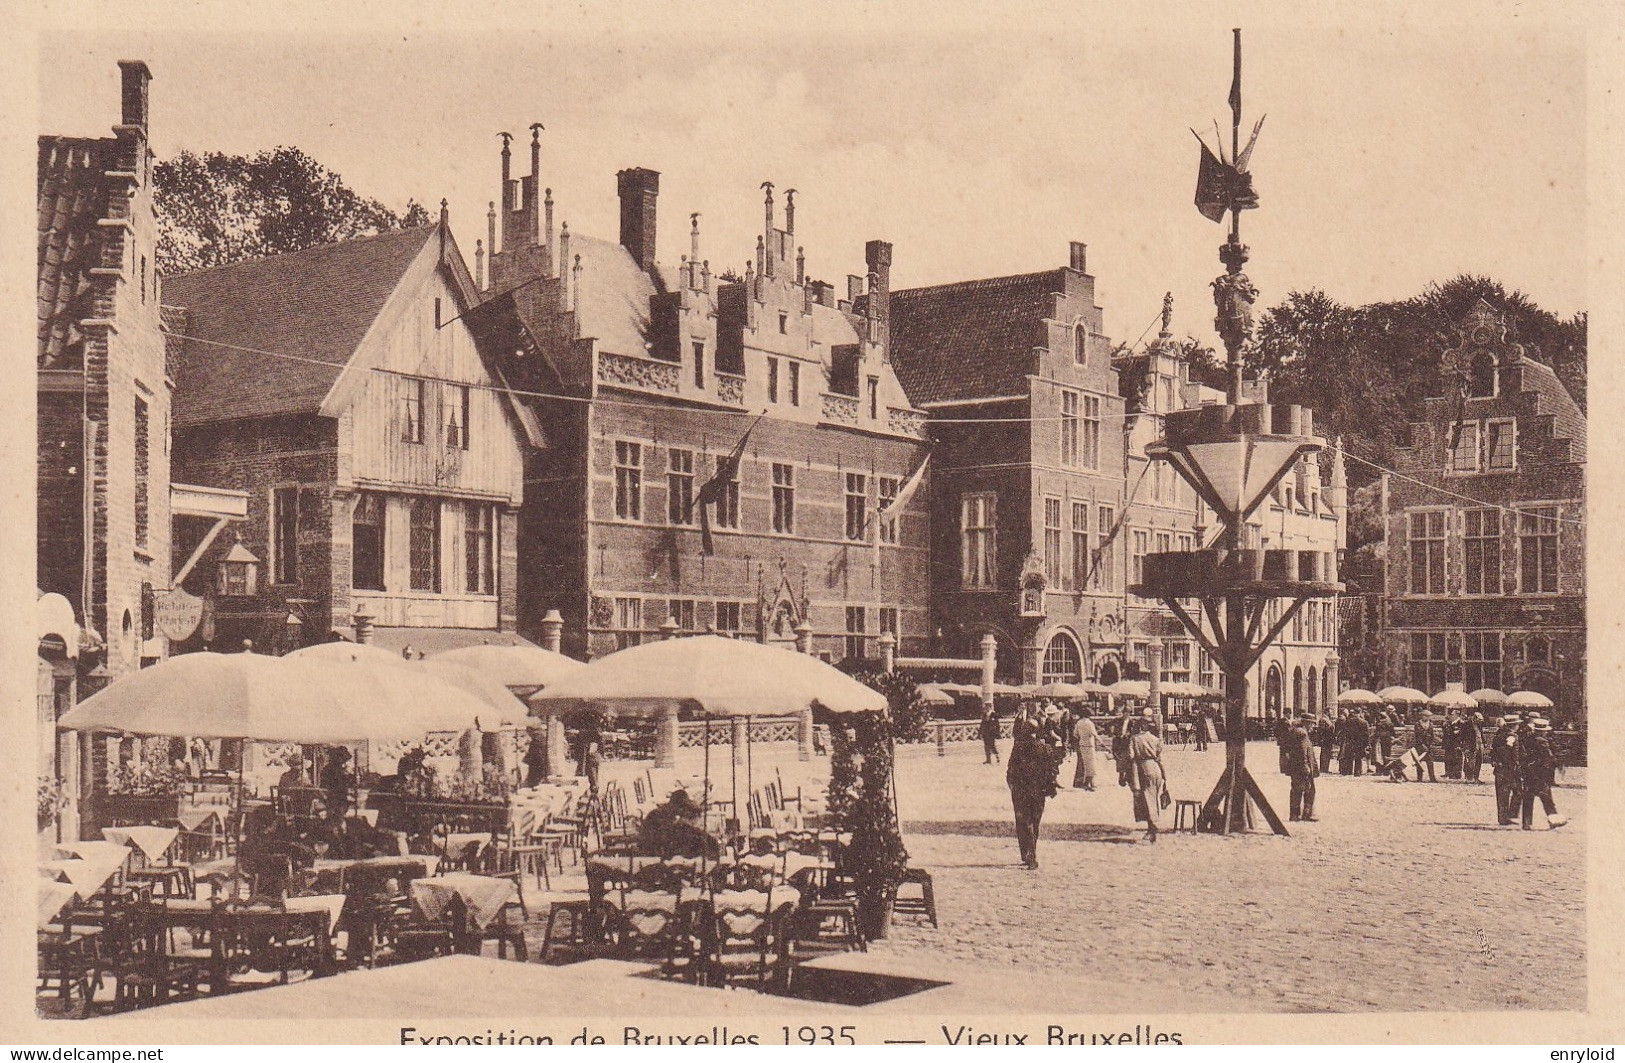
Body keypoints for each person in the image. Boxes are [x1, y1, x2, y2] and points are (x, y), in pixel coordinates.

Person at [1007, 701, 1066, 869]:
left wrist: (1012, 785)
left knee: (1023, 822)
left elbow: (1010, 771)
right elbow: (1054, 767)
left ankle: (1027, 853)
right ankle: (1032, 853)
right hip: (1038, 791)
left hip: (1020, 791)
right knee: (1035, 821)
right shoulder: (1044, 749)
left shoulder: (1017, 748)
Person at [639, 789, 721, 858]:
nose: (683, 811)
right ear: (678, 806)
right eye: (683, 807)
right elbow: (669, 837)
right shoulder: (662, 816)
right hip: (654, 854)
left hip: (657, 851)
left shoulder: (664, 812)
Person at [1518, 717, 1566, 830]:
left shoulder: (1527, 739)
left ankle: (1526, 822)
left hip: (1529, 773)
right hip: (1541, 774)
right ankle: (1554, 820)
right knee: (1547, 798)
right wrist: (1558, 764)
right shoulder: (1543, 742)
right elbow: (1548, 757)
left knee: (1528, 798)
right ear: (1543, 731)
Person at [1126, 712, 1168, 843]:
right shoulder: (1156, 740)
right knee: (1153, 797)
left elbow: (1131, 756)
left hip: (1143, 768)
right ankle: (1152, 826)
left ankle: (1152, 829)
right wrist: (1165, 775)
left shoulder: (1135, 739)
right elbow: (1159, 758)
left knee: (1147, 799)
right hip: (1156, 769)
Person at [1489, 713, 1523, 825]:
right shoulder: (1512, 736)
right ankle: (1512, 815)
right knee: (1518, 791)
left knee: (1502, 794)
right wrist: (1515, 765)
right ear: (1514, 725)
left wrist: (1495, 761)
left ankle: (1503, 818)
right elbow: (1510, 753)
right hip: (1510, 769)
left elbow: (1493, 750)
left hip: (1499, 769)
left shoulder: (1498, 734)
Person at [1284, 713, 1318, 821]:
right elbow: (1302, 751)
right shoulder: (1302, 733)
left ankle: (1295, 814)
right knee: (1309, 790)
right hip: (1301, 766)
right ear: (1307, 723)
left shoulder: (1296, 730)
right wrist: (1305, 766)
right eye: (1312, 724)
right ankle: (1305, 815)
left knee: (1297, 789)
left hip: (1295, 766)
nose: (1312, 726)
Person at [320, 746, 353, 818]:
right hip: (336, 798)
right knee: (337, 816)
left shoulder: (328, 769)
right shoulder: (336, 770)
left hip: (333, 798)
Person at [1071, 707, 1099, 791]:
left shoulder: (1079, 722)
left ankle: (1087, 782)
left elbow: (1075, 734)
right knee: (1091, 765)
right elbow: (1095, 734)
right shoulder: (1089, 723)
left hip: (1082, 744)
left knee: (1083, 764)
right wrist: (1103, 744)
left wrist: (1082, 737)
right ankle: (1087, 783)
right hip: (1090, 745)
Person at [1411, 711, 1438, 782]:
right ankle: (1419, 778)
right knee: (1419, 762)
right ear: (1422, 716)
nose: (1427, 717)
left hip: (1428, 746)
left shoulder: (1431, 724)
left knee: (1430, 762)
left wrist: (1430, 744)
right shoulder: (1418, 724)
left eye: (1428, 716)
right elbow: (1417, 736)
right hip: (1419, 746)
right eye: (1425, 716)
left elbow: (1432, 735)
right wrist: (1422, 744)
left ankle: (1432, 778)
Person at [1461, 712, 1485, 782]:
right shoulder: (1467, 724)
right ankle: (1469, 778)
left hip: (1479, 745)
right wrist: (1463, 746)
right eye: (1479, 720)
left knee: (1479, 761)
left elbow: (1481, 734)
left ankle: (1476, 778)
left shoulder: (1479, 725)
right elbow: (1462, 735)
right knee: (1469, 762)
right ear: (1475, 718)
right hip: (1470, 745)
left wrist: (1484, 742)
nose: (1481, 722)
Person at [1346, 710, 1370, 777]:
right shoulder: (1364, 722)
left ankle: (1349, 771)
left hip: (1351, 741)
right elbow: (1366, 734)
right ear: (1360, 713)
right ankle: (1357, 772)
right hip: (1360, 742)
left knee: (1350, 756)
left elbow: (1346, 732)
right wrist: (1367, 743)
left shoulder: (1349, 721)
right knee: (1358, 757)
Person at [1442, 710, 1463, 780]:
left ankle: (1457, 774)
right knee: (1448, 758)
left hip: (1456, 744)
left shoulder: (1461, 723)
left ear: (1457, 715)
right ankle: (1449, 773)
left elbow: (1461, 734)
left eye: (1453, 714)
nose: (1451, 716)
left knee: (1457, 759)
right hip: (1449, 744)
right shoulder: (1449, 723)